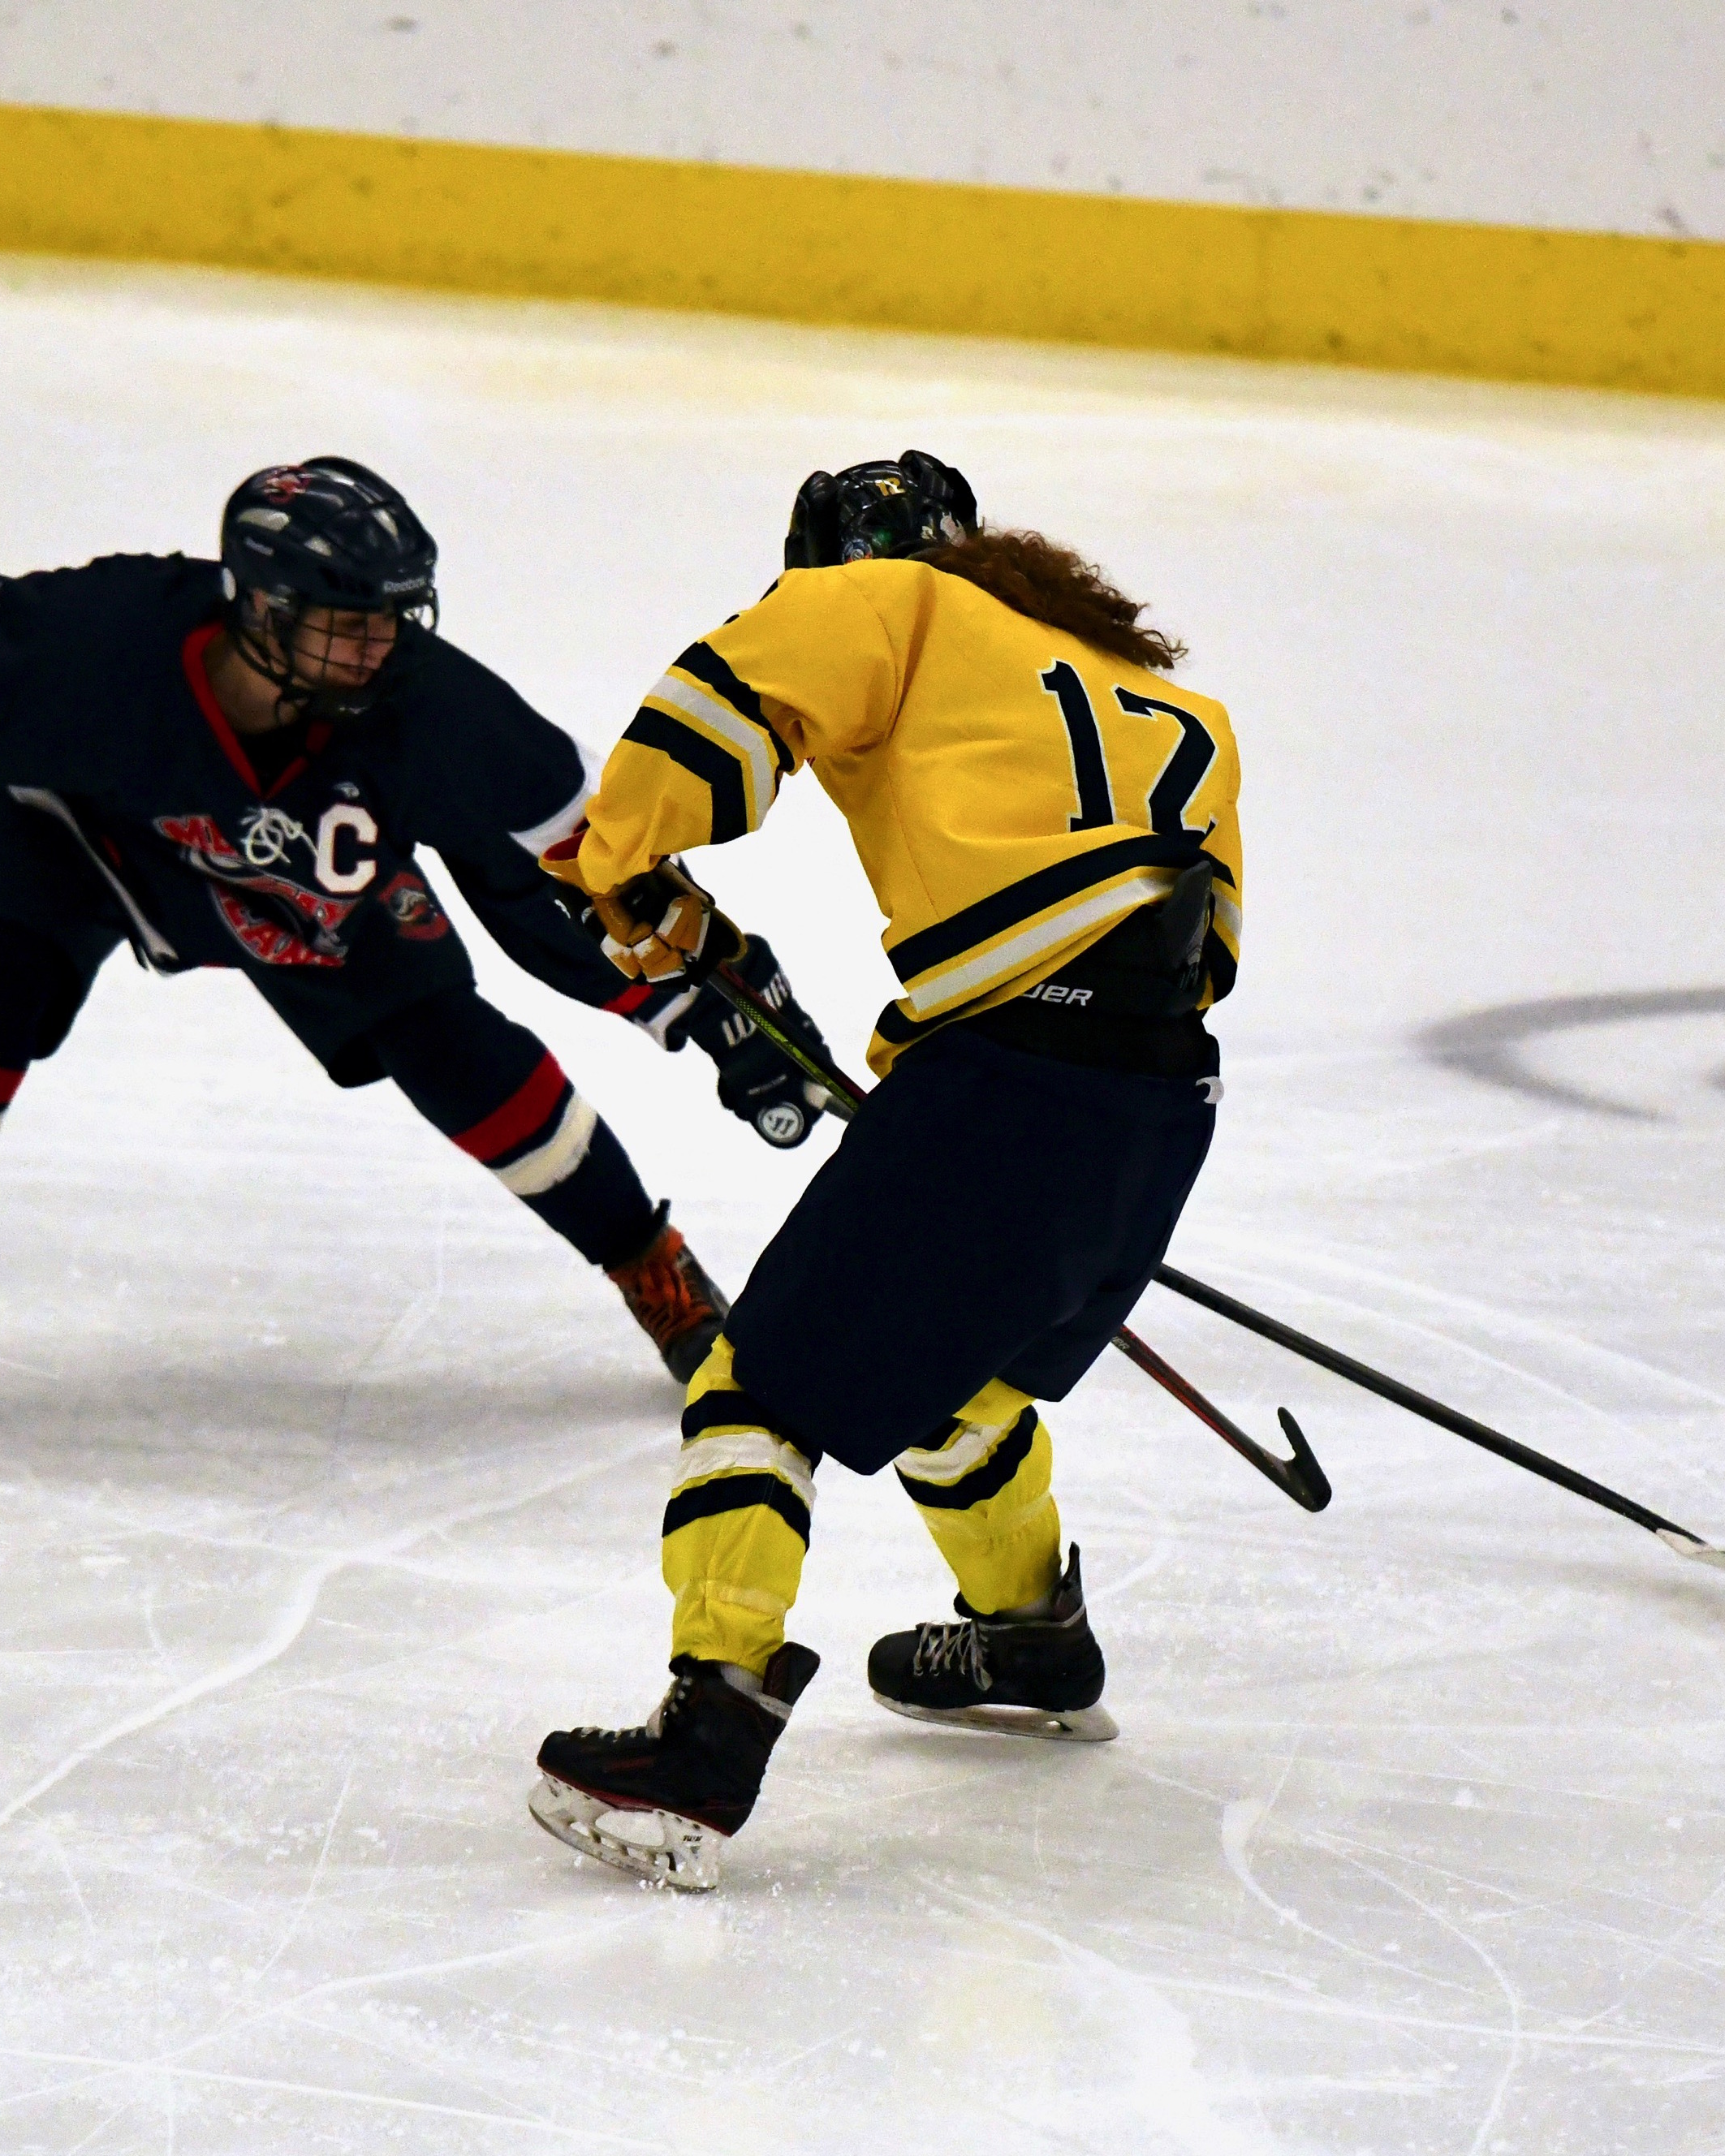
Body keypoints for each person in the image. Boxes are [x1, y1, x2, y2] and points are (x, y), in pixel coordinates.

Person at [0, 457, 837, 1426]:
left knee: (448, 1042)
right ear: (258, 608)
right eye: (343, 624)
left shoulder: (439, 717)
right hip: (85, 837)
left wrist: (711, 1005)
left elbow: (590, 884)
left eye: (391, 621)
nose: (376, 649)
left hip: (296, 886)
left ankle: (650, 1265)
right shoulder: (92, 640)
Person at [523, 453, 1244, 1890]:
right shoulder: (1169, 702)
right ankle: (1029, 1636)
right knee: (946, 1373)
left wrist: (615, 860)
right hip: (1159, 1107)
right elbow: (1182, 947)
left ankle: (701, 1746)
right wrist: (943, 1062)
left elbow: (723, 700)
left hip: (1008, 1097)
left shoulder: (894, 603)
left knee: (757, 1387)